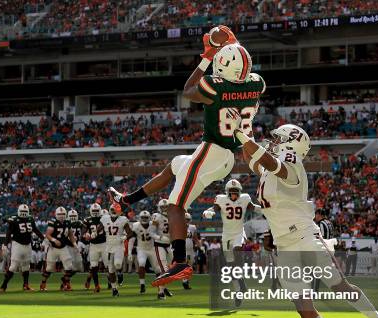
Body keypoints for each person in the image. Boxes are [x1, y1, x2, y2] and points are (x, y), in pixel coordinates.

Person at [236, 123, 378, 318]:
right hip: (284, 244)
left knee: (340, 287)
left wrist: (245, 138)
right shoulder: (271, 167)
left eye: (276, 139)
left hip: (304, 236)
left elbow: (266, 160)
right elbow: (254, 159)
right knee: (303, 304)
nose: (272, 142)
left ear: (289, 142)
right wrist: (241, 131)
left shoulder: (291, 165)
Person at [109, 25, 265, 288]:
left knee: (176, 206)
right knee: (174, 165)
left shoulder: (216, 86)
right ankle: (127, 200)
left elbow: (189, 89)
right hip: (226, 155)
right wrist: (231, 44)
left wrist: (206, 56)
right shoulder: (257, 83)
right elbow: (241, 66)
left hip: (212, 151)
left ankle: (180, 263)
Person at [0, 204, 45, 292]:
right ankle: (3, 286)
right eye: (22, 212)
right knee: (13, 266)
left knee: (26, 266)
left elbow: (35, 230)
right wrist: (5, 244)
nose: (24, 214)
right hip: (17, 244)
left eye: (25, 212)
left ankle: (25, 285)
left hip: (28, 245)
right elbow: (8, 233)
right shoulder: (14, 220)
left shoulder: (30, 219)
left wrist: (44, 239)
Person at [40, 207, 75, 292]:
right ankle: (43, 283)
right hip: (53, 248)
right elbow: (48, 234)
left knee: (69, 266)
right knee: (49, 268)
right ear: (56, 214)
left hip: (63, 247)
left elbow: (70, 235)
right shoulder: (53, 222)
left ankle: (66, 284)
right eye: (59, 214)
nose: (61, 216)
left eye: (63, 214)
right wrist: (54, 240)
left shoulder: (67, 222)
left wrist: (74, 244)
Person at [101, 204, 132, 297]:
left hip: (118, 246)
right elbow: (99, 229)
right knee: (110, 269)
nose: (114, 211)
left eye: (115, 210)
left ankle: (120, 273)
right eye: (112, 210)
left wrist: (125, 237)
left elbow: (130, 233)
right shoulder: (105, 219)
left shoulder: (123, 220)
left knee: (117, 264)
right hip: (109, 246)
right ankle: (114, 289)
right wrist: (93, 234)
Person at [83, 203, 106, 293]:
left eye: (97, 211)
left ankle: (112, 284)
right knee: (94, 266)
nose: (95, 213)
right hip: (93, 245)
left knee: (108, 265)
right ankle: (97, 285)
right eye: (94, 211)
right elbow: (83, 231)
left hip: (104, 244)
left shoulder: (104, 218)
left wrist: (95, 232)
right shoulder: (87, 220)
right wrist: (86, 234)